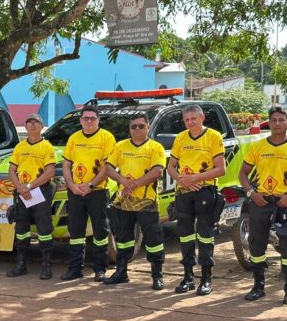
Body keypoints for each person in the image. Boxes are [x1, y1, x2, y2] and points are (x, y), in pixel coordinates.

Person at [239, 105, 287, 305]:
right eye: (274, 120)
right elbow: (243, 173)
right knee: (256, 244)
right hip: (261, 201)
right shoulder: (258, 147)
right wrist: (251, 193)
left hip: (286, 202)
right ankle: (258, 287)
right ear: (269, 123)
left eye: (282, 120)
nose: (278, 123)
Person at [167, 104, 226, 295]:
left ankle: (206, 279)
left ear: (202, 118)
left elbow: (220, 169)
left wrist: (195, 178)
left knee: (205, 235)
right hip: (184, 193)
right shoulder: (180, 138)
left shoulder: (213, 137)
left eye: (193, 118)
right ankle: (188, 277)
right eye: (186, 119)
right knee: (185, 235)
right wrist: (181, 180)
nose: (190, 122)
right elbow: (171, 167)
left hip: (205, 191)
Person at [103, 114, 166, 289]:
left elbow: (157, 172)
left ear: (148, 127)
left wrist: (135, 184)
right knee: (123, 238)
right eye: (133, 127)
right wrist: (123, 182)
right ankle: (121, 272)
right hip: (124, 201)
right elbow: (108, 168)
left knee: (153, 239)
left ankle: (157, 276)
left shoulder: (155, 147)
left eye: (140, 126)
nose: (137, 129)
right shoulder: (120, 146)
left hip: (147, 202)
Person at [61, 106, 116, 281]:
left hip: (98, 191)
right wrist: (71, 184)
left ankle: (100, 268)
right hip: (76, 191)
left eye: (92, 118)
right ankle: (75, 269)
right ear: (80, 120)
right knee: (76, 231)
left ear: (98, 120)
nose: (89, 121)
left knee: (100, 232)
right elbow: (66, 165)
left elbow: (108, 167)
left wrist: (91, 184)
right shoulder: (74, 138)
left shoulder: (106, 137)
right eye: (86, 118)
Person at [5, 113, 57, 279]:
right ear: (25, 127)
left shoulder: (47, 147)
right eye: (29, 123)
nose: (32, 125)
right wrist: (20, 187)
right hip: (22, 192)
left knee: (44, 229)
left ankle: (46, 266)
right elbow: (11, 170)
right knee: (21, 229)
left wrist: (28, 186)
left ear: (42, 127)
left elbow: (49, 173)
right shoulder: (20, 147)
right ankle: (21, 265)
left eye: (36, 123)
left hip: (40, 192)